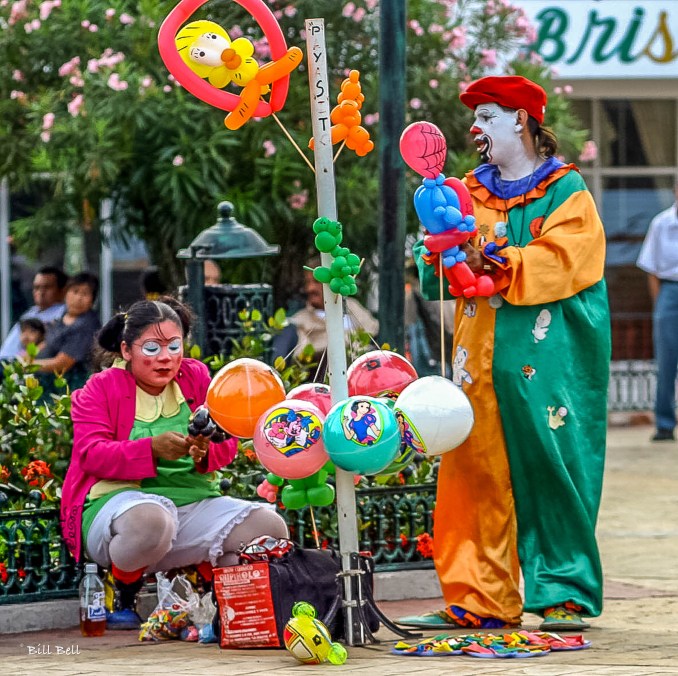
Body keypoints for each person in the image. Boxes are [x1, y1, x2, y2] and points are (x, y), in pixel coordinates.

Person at [398, 75, 610, 632]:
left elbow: (570, 257)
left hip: (546, 353)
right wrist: (437, 252)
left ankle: (563, 592)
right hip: (478, 352)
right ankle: (477, 596)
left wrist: (499, 262)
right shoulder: (466, 186)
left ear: (521, 119)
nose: (476, 128)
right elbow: (441, 269)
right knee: (472, 467)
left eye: (488, 116)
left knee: (552, 462)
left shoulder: (567, 191)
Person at [60, 297, 288, 629]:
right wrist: (151, 448)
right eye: (152, 348)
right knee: (154, 520)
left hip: (192, 502)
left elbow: (227, 441)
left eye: (174, 345)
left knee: (269, 528)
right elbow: (90, 454)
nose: (166, 358)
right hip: (120, 511)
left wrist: (205, 450)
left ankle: (220, 604)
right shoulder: (99, 389)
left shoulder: (196, 377)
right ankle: (123, 589)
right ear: (126, 351)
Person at [277, 263, 379, 374]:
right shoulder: (301, 319)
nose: (310, 288)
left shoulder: (351, 306)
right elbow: (301, 353)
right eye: (307, 283)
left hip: (363, 366)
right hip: (327, 372)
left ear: (332, 283)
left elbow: (372, 328)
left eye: (316, 282)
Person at [636, 178, 678, 442]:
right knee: (666, 362)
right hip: (669, 292)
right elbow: (650, 267)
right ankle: (664, 423)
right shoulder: (662, 223)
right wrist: (659, 302)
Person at [32, 272, 101, 392]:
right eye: (75, 291)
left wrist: (29, 365)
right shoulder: (63, 316)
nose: (79, 298)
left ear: (92, 300)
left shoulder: (87, 325)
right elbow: (46, 343)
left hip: (67, 387)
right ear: (66, 293)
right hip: (43, 381)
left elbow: (62, 363)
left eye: (85, 293)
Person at [0, 266, 67, 361]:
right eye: (36, 287)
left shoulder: (64, 313)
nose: (41, 292)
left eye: (47, 287)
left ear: (62, 291)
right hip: (6, 363)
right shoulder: (30, 313)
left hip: (26, 366)